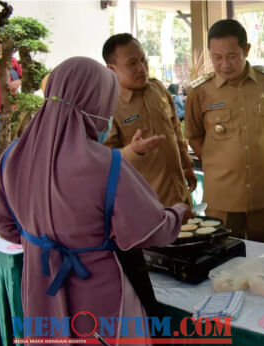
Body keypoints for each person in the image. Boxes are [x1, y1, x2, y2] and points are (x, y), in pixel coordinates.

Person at [0, 57, 188, 346]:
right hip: (101, 298)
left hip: (40, 291)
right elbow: (147, 231)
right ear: (93, 105)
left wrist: (43, 243)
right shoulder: (106, 165)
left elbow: (5, 227)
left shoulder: (10, 159)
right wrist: (178, 213)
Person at [101, 33, 196, 325]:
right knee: (161, 289)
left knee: (191, 279)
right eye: (132, 63)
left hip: (180, 200)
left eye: (143, 59)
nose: (142, 67)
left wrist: (186, 166)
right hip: (145, 215)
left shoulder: (157, 89)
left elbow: (175, 133)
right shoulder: (108, 106)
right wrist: (131, 152)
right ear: (112, 69)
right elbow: (101, 162)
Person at [185, 19, 264, 244]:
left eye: (232, 56)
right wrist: (220, 161)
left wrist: (259, 152)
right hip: (223, 197)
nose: (224, 64)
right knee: (224, 260)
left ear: (246, 50)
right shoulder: (199, 92)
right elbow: (193, 136)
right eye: (217, 57)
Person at [0, 27, 22, 175]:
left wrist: (18, 82)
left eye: (2, 39)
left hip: (12, 108)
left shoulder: (12, 61)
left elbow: (23, 77)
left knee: (13, 142)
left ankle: (12, 175)